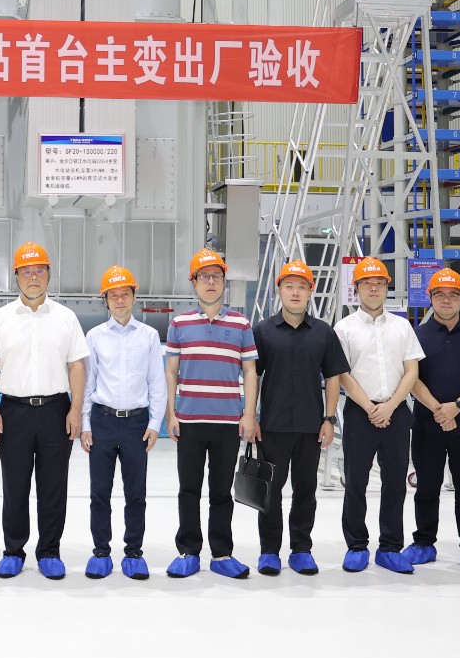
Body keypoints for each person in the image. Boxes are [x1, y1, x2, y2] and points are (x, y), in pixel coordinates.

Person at [0, 242, 89, 580]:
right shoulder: (0, 319)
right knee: (14, 486)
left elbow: (77, 367)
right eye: (26, 271)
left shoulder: (66, 318)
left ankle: (50, 552)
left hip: (56, 411)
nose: (33, 277)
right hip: (13, 412)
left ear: (48, 275)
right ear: (16, 276)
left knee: (53, 486)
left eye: (39, 270)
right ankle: (13, 551)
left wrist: (75, 409)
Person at [165, 247, 259, 580]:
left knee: (221, 492)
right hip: (189, 421)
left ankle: (222, 554)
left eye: (216, 277)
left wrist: (249, 414)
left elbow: (250, 371)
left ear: (223, 281)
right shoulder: (179, 323)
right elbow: (171, 372)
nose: (210, 282)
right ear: (194, 282)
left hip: (227, 423)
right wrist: (171, 414)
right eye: (203, 277)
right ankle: (188, 551)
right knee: (189, 490)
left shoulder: (241, 324)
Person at [250, 259, 348, 577]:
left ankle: (301, 549)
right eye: (289, 286)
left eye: (301, 287)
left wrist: (329, 419)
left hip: (310, 426)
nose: (295, 292)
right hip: (273, 426)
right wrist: (251, 416)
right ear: (279, 290)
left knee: (306, 490)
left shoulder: (323, 333)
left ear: (310, 292)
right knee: (270, 490)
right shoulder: (263, 331)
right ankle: (269, 551)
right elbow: (253, 376)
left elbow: (333, 376)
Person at [334, 257, 424, 574]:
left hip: (396, 412)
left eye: (380, 283)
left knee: (395, 483)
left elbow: (412, 371)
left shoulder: (402, 327)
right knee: (355, 482)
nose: (374, 288)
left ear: (387, 287)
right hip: (360, 414)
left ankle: (390, 547)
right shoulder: (344, 328)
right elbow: (342, 374)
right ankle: (356, 546)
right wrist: (371, 407)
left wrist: (390, 405)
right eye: (367, 283)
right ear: (356, 288)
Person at [404, 267, 460, 574]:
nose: (446, 300)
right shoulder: (416, 336)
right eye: (440, 294)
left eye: (452, 295)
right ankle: (423, 543)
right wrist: (438, 410)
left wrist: (456, 407)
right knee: (426, 488)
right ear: (430, 297)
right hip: (427, 426)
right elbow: (411, 378)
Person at [80, 265, 166, 580]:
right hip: (102, 421)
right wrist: (85, 423)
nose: (119, 300)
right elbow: (88, 383)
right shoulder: (94, 336)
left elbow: (157, 382)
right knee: (99, 493)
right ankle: (101, 552)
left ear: (134, 297)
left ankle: (133, 553)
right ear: (105, 300)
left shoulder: (149, 336)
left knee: (135, 493)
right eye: (113, 295)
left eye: (124, 294)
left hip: (135, 424)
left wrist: (155, 423)